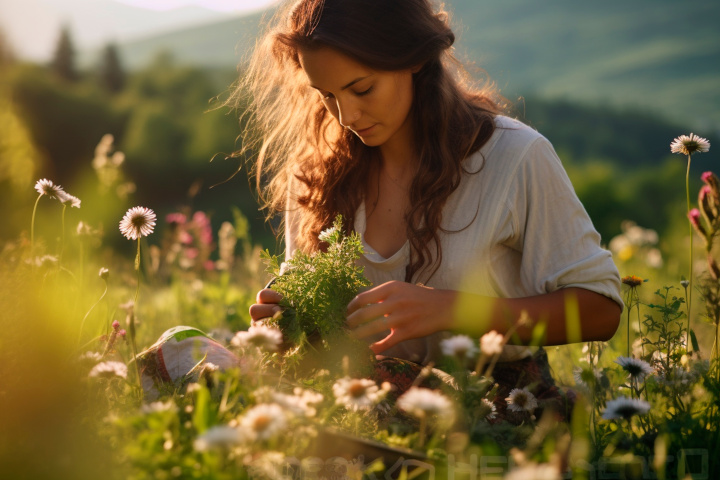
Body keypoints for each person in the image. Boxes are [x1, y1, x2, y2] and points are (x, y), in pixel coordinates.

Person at [241, 0, 622, 413]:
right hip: (351, 394)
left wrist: (455, 309)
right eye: (327, 95)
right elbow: (313, 332)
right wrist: (285, 325)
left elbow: (600, 311)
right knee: (177, 352)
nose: (346, 114)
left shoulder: (514, 156)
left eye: (362, 88)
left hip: (492, 405)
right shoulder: (317, 173)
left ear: (414, 59)